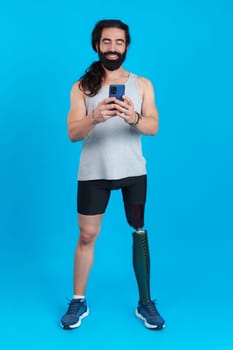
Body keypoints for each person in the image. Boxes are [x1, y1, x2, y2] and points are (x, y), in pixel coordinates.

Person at [60, 19, 165, 330]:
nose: (113, 48)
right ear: (97, 46)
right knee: (87, 235)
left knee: (138, 230)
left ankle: (145, 302)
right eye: (107, 42)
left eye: (119, 42)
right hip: (95, 172)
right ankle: (78, 300)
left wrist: (133, 117)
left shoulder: (143, 84)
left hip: (133, 171)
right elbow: (72, 133)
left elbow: (153, 126)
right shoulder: (82, 87)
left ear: (127, 47)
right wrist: (95, 116)